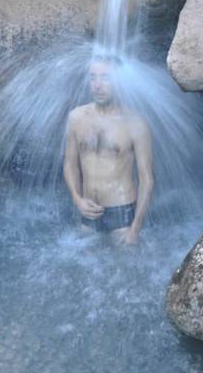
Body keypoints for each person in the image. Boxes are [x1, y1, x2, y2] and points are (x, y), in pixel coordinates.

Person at [63, 55, 153, 245]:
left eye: (105, 78)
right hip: (88, 211)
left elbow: (147, 179)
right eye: (93, 77)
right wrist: (77, 198)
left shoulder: (135, 123)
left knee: (125, 271)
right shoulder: (76, 118)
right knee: (84, 270)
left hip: (121, 212)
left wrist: (135, 228)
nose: (98, 85)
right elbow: (70, 164)